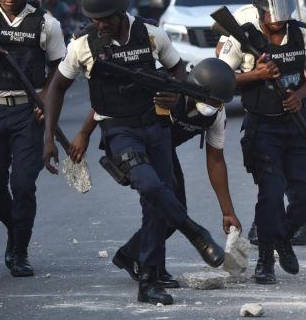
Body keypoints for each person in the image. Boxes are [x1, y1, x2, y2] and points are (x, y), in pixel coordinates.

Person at [42, 0, 226, 305]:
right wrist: (50, 137)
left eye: (105, 18)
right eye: (93, 19)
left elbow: (178, 72)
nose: (99, 25)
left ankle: (149, 281)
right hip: (118, 131)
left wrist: (172, 95)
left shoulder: (152, 36)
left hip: (155, 127)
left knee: (156, 204)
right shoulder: (82, 46)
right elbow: (57, 87)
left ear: (120, 12)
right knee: (150, 185)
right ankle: (195, 232)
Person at [67, 58, 242, 289]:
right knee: (165, 203)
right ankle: (150, 266)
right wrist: (84, 133)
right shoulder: (164, 90)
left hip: (163, 149)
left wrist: (227, 212)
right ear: (196, 87)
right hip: (133, 141)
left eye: (219, 102)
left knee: (173, 208)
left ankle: (133, 256)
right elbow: (109, 102)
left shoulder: (215, 115)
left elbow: (216, 160)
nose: (214, 105)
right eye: (210, 99)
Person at [219, 0, 306, 284]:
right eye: (273, 11)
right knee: (271, 195)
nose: (279, 17)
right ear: (261, 9)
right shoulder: (243, 37)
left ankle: (283, 238)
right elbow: (221, 79)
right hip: (263, 127)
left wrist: (300, 96)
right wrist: (255, 74)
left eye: (284, 9)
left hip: (297, 125)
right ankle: (265, 259)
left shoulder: (301, 33)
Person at [0, 0, 66, 277]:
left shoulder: (46, 24)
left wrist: (45, 102)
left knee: (23, 185)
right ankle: (16, 229)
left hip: (28, 111)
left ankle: (20, 251)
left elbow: (58, 70)